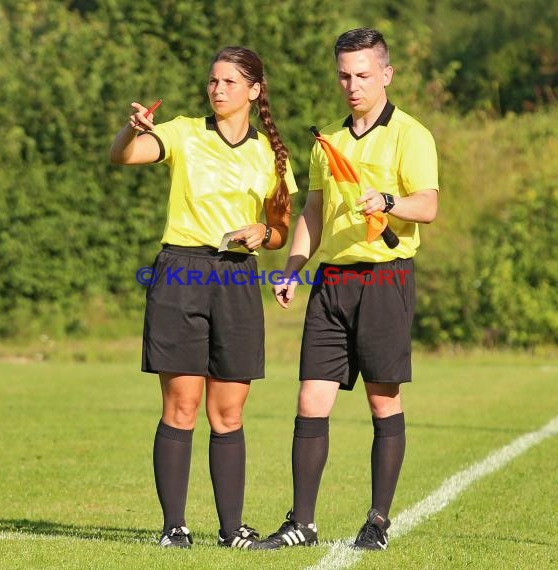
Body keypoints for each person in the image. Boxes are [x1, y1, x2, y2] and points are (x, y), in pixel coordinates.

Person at [256, 28, 439, 551]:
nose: (352, 85)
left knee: (384, 400)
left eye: (362, 74)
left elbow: (426, 205)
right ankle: (302, 523)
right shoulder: (328, 142)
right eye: (344, 74)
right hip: (331, 283)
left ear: (386, 74)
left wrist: (387, 201)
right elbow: (314, 211)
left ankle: (378, 522)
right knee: (310, 399)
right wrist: (292, 265)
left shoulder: (410, 134)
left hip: (385, 279)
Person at [109, 46, 298, 549]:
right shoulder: (183, 132)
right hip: (180, 272)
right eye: (213, 81)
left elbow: (280, 228)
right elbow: (123, 155)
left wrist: (264, 233)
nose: (217, 90)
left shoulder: (271, 154)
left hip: (236, 280)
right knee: (182, 406)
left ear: (254, 91)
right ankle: (174, 527)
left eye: (230, 82)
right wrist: (133, 129)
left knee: (229, 413)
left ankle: (232, 529)